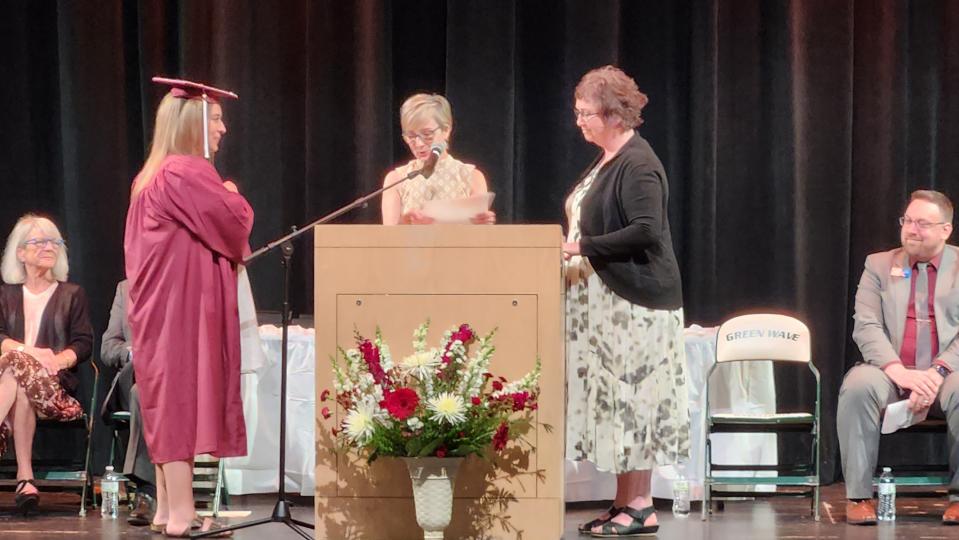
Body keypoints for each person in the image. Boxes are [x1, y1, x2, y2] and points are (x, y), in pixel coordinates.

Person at [561, 66, 689, 537]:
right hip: (608, 309)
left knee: (636, 403)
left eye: (585, 113)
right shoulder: (607, 158)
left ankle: (641, 505)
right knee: (617, 406)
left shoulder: (638, 162)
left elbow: (645, 230)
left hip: (637, 308)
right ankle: (622, 503)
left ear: (614, 114)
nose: (579, 121)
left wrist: (578, 247)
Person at [124, 77, 253, 537]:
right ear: (192, 123)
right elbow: (234, 224)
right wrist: (234, 194)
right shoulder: (185, 171)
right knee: (178, 402)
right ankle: (182, 514)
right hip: (181, 309)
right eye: (216, 119)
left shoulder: (150, 175)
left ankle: (165, 508)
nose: (223, 129)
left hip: (158, 307)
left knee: (165, 400)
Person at [840, 189, 959, 525]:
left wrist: (937, 370)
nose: (911, 229)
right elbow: (865, 326)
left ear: (945, 230)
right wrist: (898, 371)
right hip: (890, 373)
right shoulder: (878, 264)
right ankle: (859, 497)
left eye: (922, 223)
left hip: (947, 374)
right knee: (858, 385)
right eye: (907, 220)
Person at [0, 214, 93, 516]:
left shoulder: (72, 294)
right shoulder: (6, 295)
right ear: (20, 253)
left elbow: (83, 343)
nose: (49, 247)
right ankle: (25, 478)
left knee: (17, 368)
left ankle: (24, 477)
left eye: (54, 241)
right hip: (13, 386)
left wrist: (55, 359)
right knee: (17, 373)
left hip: (53, 389)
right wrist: (29, 353)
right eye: (38, 241)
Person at [380, 93, 495, 225]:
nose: (419, 144)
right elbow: (387, 240)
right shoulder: (396, 179)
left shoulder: (471, 177)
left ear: (446, 130)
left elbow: (481, 239)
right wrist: (406, 222)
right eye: (411, 136)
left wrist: (480, 223)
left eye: (427, 134)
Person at [100, 279, 157, 526]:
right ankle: (150, 492)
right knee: (139, 388)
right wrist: (132, 352)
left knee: (141, 393)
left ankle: (147, 491)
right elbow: (108, 347)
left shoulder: (179, 280)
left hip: (171, 378)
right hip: (134, 373)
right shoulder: (125, 288)